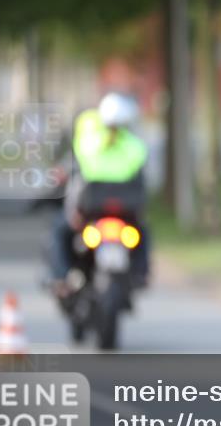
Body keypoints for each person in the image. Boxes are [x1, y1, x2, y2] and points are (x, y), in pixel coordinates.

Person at [48, 92, 150, 296]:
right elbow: (140, 181)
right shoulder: (134, 146)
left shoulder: (88, 142)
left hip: (90, 212)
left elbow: (77, 176)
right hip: (123, 213)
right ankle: (140, 273)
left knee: (60, 232)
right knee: (144, 234)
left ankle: (62, 277)